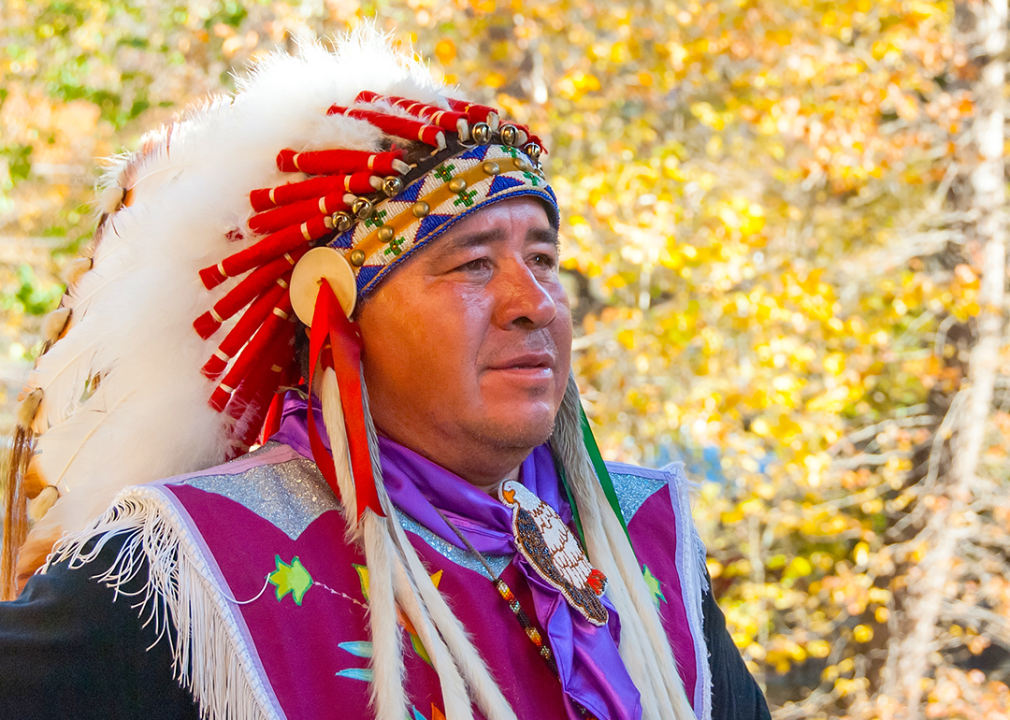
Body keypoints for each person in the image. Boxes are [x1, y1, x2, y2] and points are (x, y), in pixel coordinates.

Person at [0, 30, 770, 720]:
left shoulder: (643, 542)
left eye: (542, 259)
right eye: (472, 265)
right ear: (339, 313)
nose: (534, 303)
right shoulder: (201, 566)